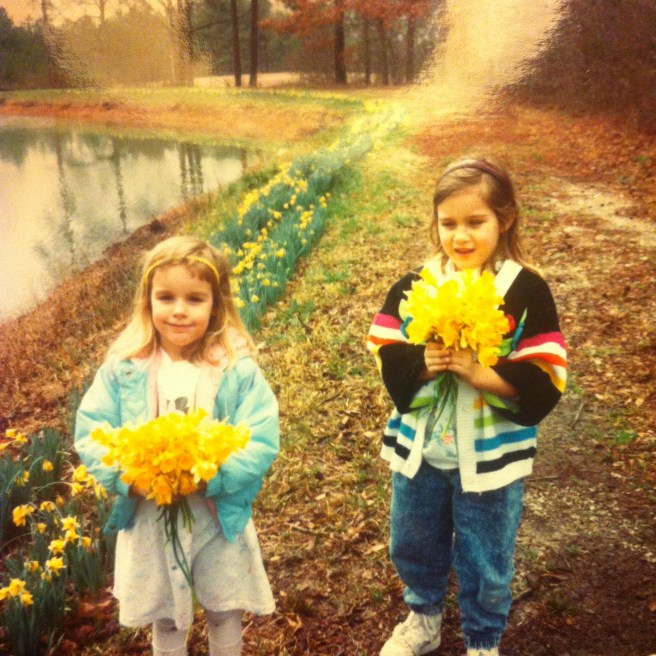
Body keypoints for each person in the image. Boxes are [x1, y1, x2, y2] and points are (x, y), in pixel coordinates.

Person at [367, 157, 567, 656]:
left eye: (475, 222)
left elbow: (548, 367)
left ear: (505, 219)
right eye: (448, 223)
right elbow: (384, 343)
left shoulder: (524, 290)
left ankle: (482, 638)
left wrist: (487, 376)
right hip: (423, 451)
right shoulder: (418, 284)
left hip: (490, 457)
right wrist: (422, 362)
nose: (460, 236)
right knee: (413, 541)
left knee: (486, 552)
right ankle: (423, 616)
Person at [74, 235, 279, 656]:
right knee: (165, 615)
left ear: (216, 305)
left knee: (224, 608)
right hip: (151, 514)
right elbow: (91, 430)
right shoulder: (125, 368)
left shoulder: (234, 370)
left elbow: (260, 437)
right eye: (166, 297)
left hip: (214, 514)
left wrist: (214, 477)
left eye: (195, 299)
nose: (179, 311)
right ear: (147, 302)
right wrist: (130, 479)